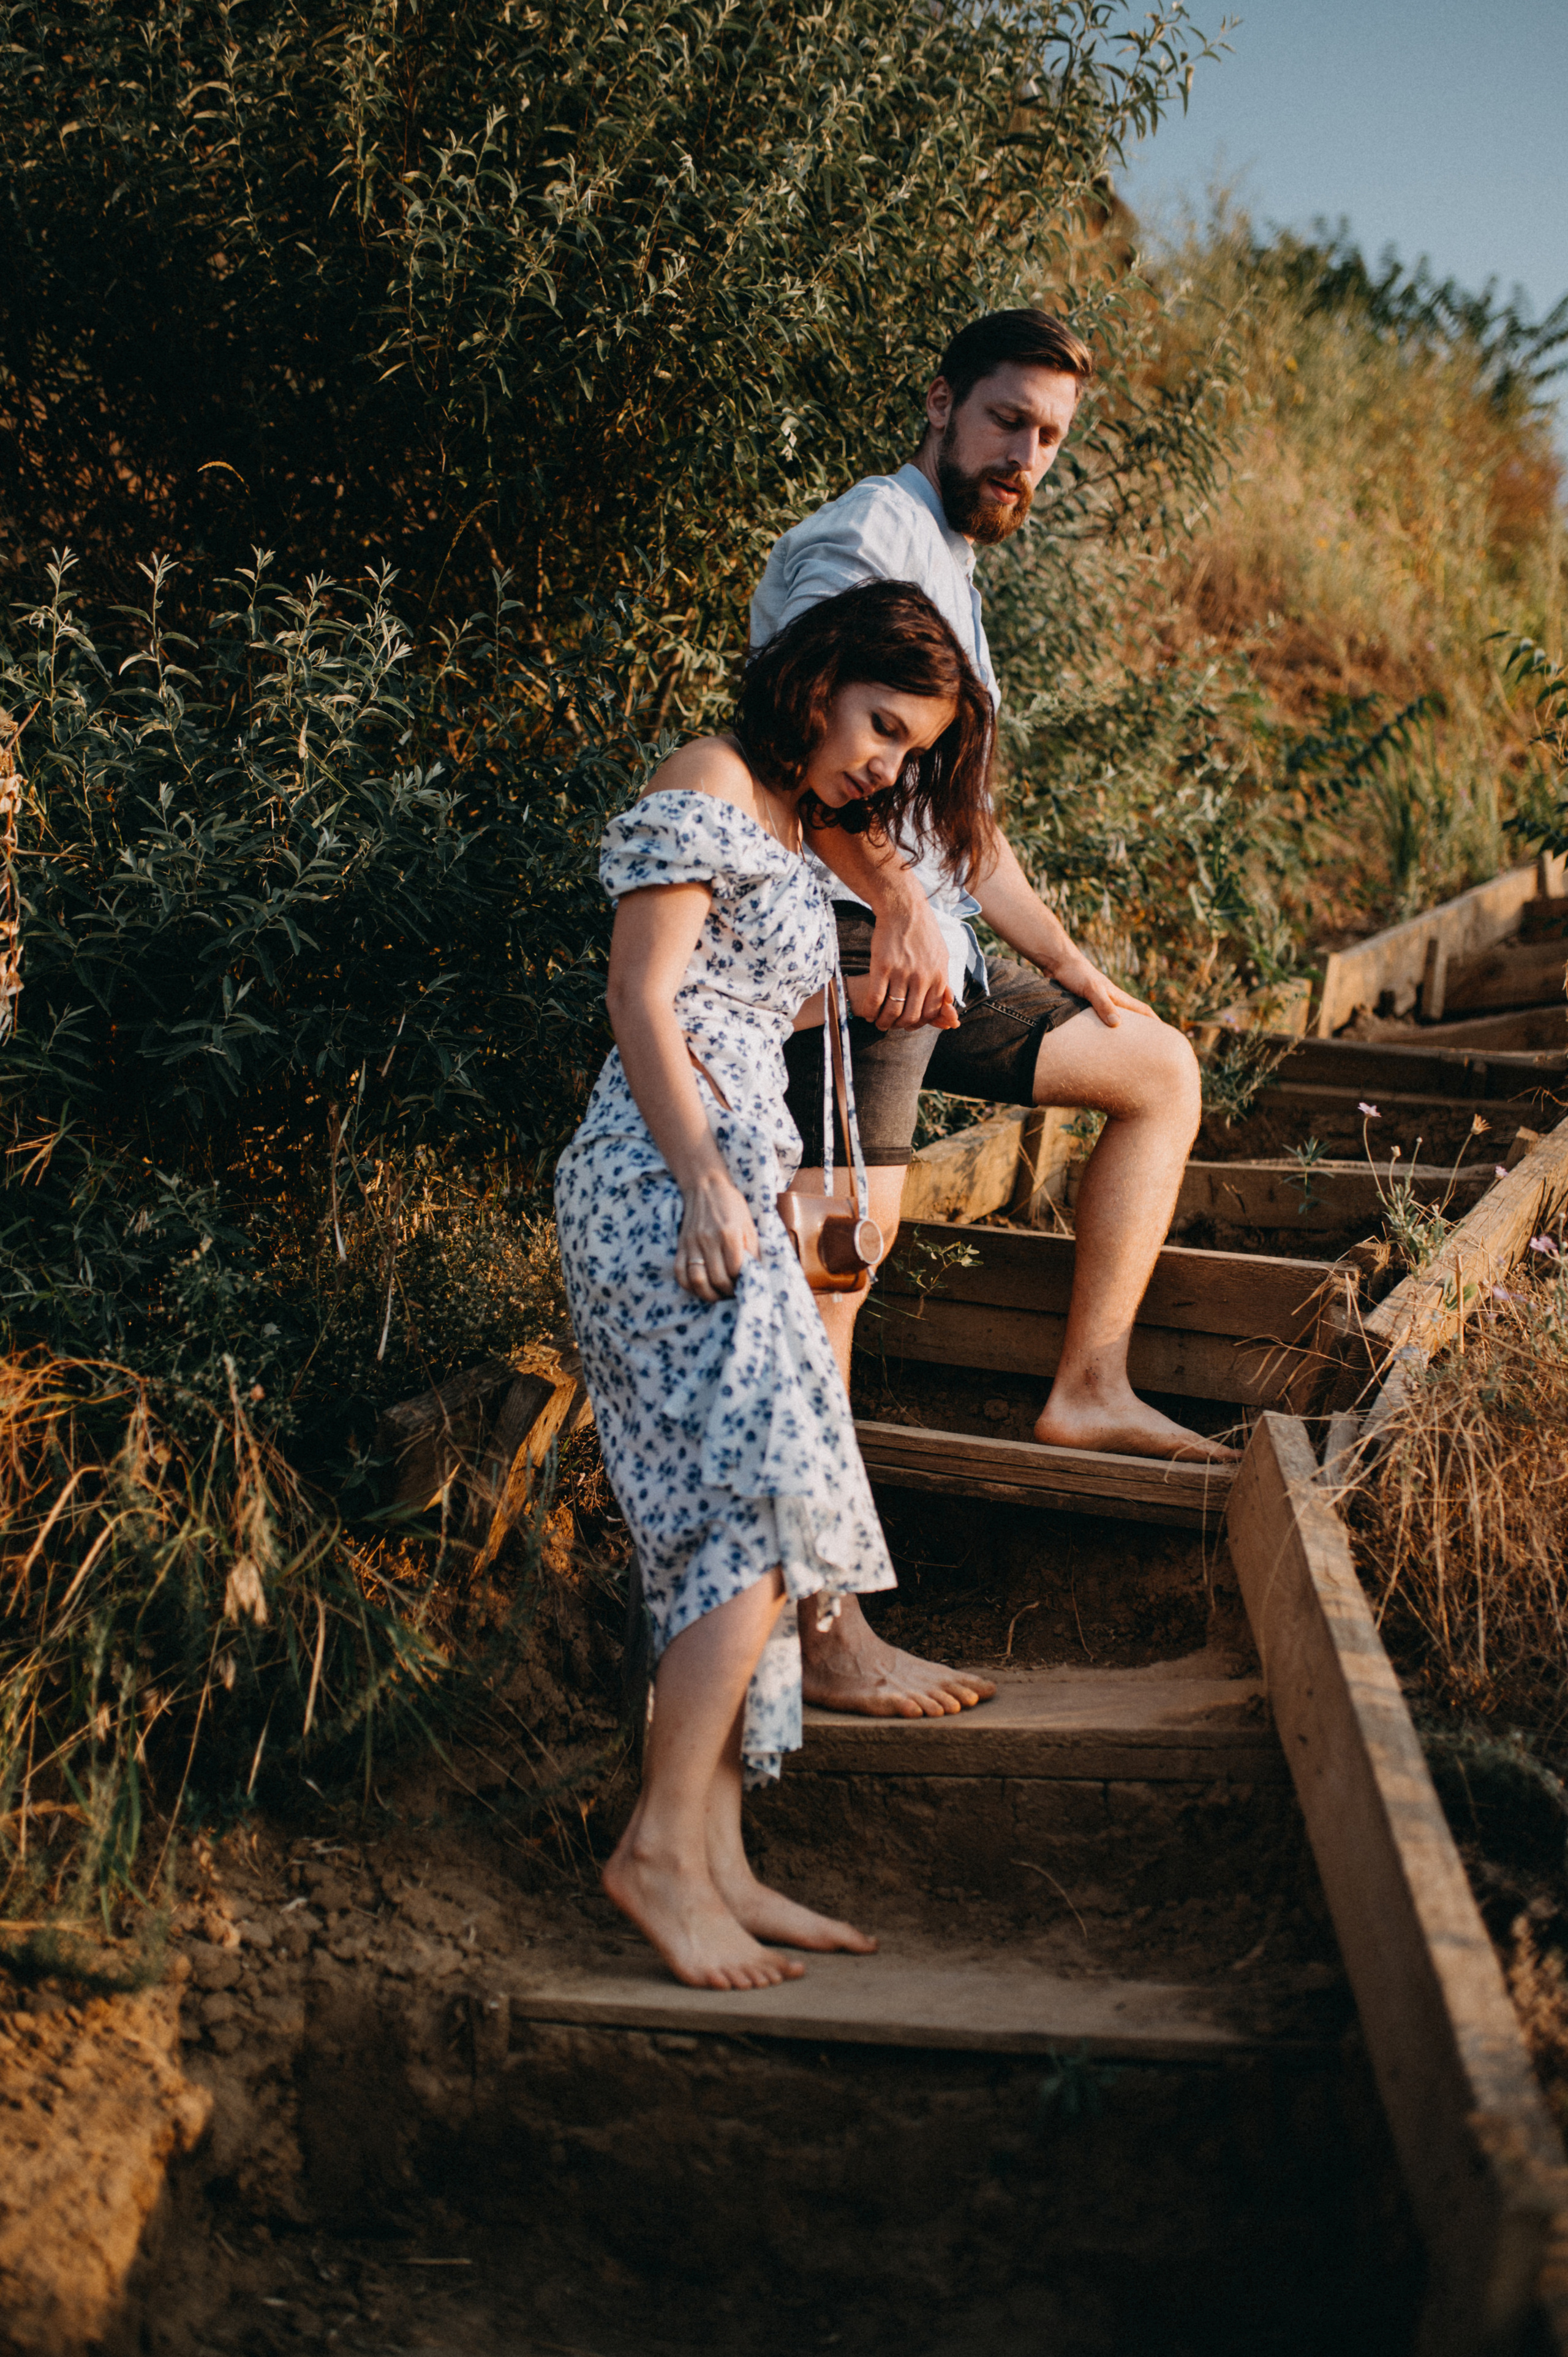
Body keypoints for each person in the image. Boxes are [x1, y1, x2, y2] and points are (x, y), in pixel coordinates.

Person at [753, 308, 1236, 1729]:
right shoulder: (862, 543)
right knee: (839, 1272)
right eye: (1006, 422)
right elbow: (798, 742)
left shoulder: (946, 570)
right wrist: (898, 899)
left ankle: (1086, 1388)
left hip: (934, 945)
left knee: (1154, 1067)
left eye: (1049, 438)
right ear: (940, 406)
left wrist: (1074, 965)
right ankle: (823, 1627)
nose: (1026, 456)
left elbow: (962, 827)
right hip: (848, 943)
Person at [555, 581, 995, 1991]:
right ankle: (657, 1852)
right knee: (757, 1501)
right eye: (881, 726)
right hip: (658, 1179)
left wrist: (865, 996)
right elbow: (642, 996)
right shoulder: (704, 777)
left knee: (752, 1516)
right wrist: (698, 1178)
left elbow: (744, 999)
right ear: (817, 681)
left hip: (737, 1185)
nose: (885, 764)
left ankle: (718, 1858)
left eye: (912, 749)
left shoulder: (798, 826)